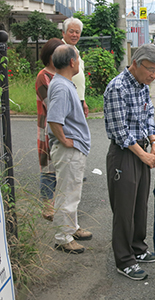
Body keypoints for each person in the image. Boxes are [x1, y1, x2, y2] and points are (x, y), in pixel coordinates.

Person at [104, 44, 155, 280]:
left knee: (141, 205)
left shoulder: (143, 86)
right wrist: (144, 155)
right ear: (136, 63)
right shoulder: (118, 87)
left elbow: (148, 116)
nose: (153, 75)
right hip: (124, 153)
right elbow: (120, 132)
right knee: (124, 209)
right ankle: (124, 259)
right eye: (150, 69)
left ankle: (138, 247)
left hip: (142, 149)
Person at [47, 44, 92, 254]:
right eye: (78, 59)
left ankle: (71, 229)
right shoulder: (62, 86)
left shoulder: (64, 83)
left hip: (74, 147)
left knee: (72, 191)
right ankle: (62, 237)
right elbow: (54, 119)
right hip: (69, 149)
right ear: (72, 62)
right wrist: (65, 140)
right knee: (67, 193)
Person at [35, 38, 64, 221]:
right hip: (47, 127)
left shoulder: (60, 74)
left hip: (61, 126)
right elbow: (51, 105)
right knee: (48, 168)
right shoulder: (43, 76)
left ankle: (57, 205)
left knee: (59, 166)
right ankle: (47, 206)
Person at [62, 17, 89, 117]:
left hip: (78, 99)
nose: (74, 35)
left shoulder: (74, 49)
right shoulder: (61, 50)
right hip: (68, 100)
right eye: (71, 31)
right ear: (63, 33)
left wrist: (83, 100)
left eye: (77, 32)